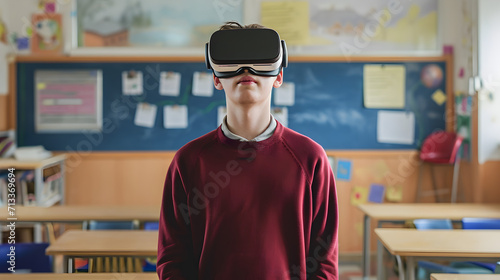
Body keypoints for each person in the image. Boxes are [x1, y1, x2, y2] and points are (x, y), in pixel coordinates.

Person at [157, 22, 338, 280]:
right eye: (234, 62)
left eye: (259, 60)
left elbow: (324, 263)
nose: (246, 70)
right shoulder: (188, 162)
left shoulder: (310, 159)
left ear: (278, 76)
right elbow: (173, 258)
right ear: (216, 79)